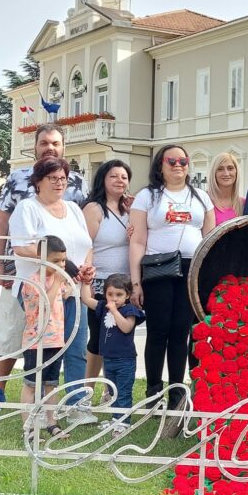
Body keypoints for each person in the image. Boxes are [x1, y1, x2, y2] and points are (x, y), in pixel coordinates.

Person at [0, 124, 88, 414]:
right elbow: (2, 222)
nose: (50, 147)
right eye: (44, 142)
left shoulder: (77, 182)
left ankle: (62, 406)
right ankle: (0, 390)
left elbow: (84, 227)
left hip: (67, 281)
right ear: (35, 146)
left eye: (55, 143)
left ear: (63, 147)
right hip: (25, 274)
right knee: (13, 332)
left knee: (62, 340)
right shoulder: (18, 178)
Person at [129, 144, 214, 435]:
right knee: (157, 332)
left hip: (191, 270)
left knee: (181, 332)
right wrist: (136, 280)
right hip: (157, 269)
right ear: (160, 166)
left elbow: (209, 240)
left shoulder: (201, 197)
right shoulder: (147, 196)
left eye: (183, 161)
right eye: (171, 161)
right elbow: (138, 240)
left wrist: (205, 279)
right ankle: (153, 392)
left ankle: (177, 393)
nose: (178, 165)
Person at [8, 156, 96, 426]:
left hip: (74, 287)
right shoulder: (27, 208)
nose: (59, 183)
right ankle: (36, 415)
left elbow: (87, 244)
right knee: (46, 352)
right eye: (53, 178)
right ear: (38, 181)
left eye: (63, 179)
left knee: (76, 347)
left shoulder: (73, 208)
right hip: (41, 291)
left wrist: (85, 269)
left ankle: (75, 405)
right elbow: (22, 247)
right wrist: (62, 265)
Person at [82, 160, 133, 394]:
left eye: (124, 177)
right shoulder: (94, 208)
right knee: (98, 340)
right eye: (114, 176)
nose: (119, 180)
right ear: (103, 179)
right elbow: (86, 246)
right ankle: (86, 391)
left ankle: (109, 391)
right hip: (101, 284)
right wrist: (88, 281)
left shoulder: (129, 210)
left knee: (118, 340)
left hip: (125, 286)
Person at [19, 236, 71, 441]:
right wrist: (58, 281)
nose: (61, 265)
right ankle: (29, 426)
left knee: (51, 383)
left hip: (55, 340)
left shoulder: (56, 280)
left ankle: (51, 423)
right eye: (56, 261)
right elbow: (44, 309)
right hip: (36, 341)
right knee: (32, 383)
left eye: (63, 261)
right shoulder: (33, 282)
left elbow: (64, 297)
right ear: (41, 258)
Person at [81, 274, 144, 435]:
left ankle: (124, 422)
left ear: (127, 295)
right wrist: (86, 282)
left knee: (123, 391)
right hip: (108, 359)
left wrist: (115, 311)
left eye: (119, 295)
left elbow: (126, 327)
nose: (114, 298)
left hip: (125, 360)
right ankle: (116, 418)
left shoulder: (130, 310)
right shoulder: (103, 307)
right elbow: (86, 299)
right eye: (110, 294)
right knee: (112, 390)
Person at [207, 152, 244, 225]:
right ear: (214, 173)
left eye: (230, 168)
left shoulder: (244, 204)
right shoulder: (205, 202)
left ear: (236, 172)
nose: (226, 173)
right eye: (220, 169)